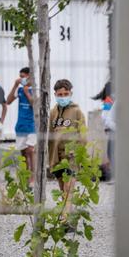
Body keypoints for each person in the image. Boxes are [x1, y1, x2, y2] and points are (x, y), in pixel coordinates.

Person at [48, 79, 86, 220]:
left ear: (71, 93)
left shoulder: (77, 112)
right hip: (56, 157)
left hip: (71, 156)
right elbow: (49, 134)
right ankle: (68, 214)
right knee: (63, 189)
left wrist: (78, 152)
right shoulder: (53, 113)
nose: (63, 97)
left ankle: (65, 218)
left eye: (66, 94)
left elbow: (83, 135)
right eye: (60, 94)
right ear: (55, 94)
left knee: (69, 188)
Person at [6, 67, 36, 186]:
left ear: (30, 77)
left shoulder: (35, 90)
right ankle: (26, 177)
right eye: (20, 76)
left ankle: (33, 178)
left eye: (24, 76)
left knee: (30, 150)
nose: (21, 79)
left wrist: (27, 92)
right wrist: (15, 85)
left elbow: (35, 105)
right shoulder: (19, 90)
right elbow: (8, 101)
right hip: (21, 125)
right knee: (23, 153)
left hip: (32, 125)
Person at [92, 81, 115, 181]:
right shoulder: (109, 100)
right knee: (112, 153)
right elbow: (104, 117)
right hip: (113, 130)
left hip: (112, 129)